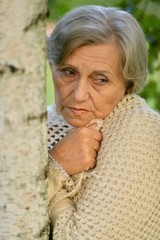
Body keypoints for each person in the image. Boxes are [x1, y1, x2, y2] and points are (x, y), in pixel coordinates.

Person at [47, 5, 160, 240]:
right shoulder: (40, 123)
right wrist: (58, 163)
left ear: (128, 82)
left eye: (100, 79)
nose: (78, 95)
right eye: (68, 72)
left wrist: (54, 176)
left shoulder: (141, 130)